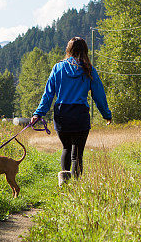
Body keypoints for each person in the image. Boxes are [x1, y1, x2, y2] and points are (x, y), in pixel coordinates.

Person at [30, 37, 112, 185]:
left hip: (62, 114)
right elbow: (99, 95)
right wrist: (106, 114)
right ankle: (76, 186)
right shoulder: (89, 70)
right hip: (80, 114)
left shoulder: (58, 68)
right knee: (77, 154)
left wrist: (38, 113)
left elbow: (48, 94)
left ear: (68, 50)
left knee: (66, 148)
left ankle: (64, 183)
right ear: (85, 51)